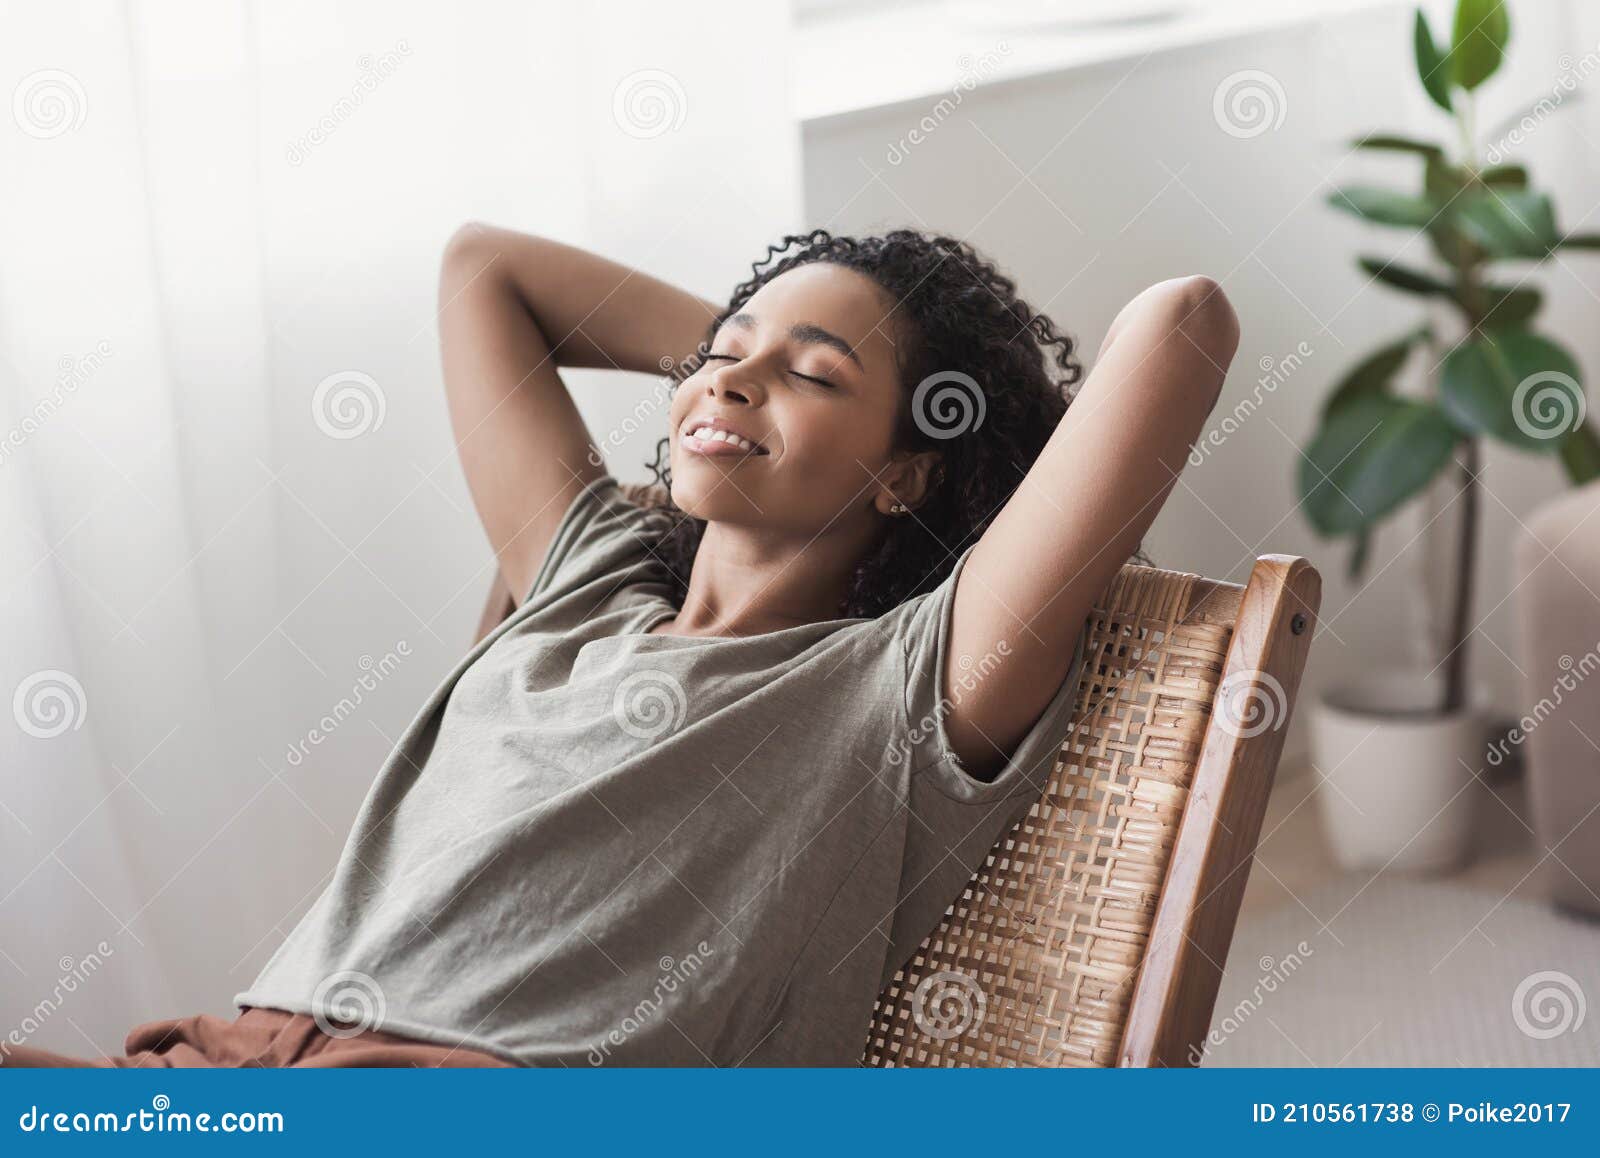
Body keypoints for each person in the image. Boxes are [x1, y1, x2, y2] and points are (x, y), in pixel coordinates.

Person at [5, 225, 1236, 1068]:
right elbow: (482, 265)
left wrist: (934, 404)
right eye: (718, 353)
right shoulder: (586, 576)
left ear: (912, 469)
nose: (730, 379)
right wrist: (765, 368)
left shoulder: (907, 683)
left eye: (808, 372)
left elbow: (1182, 324)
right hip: (243, 1067)